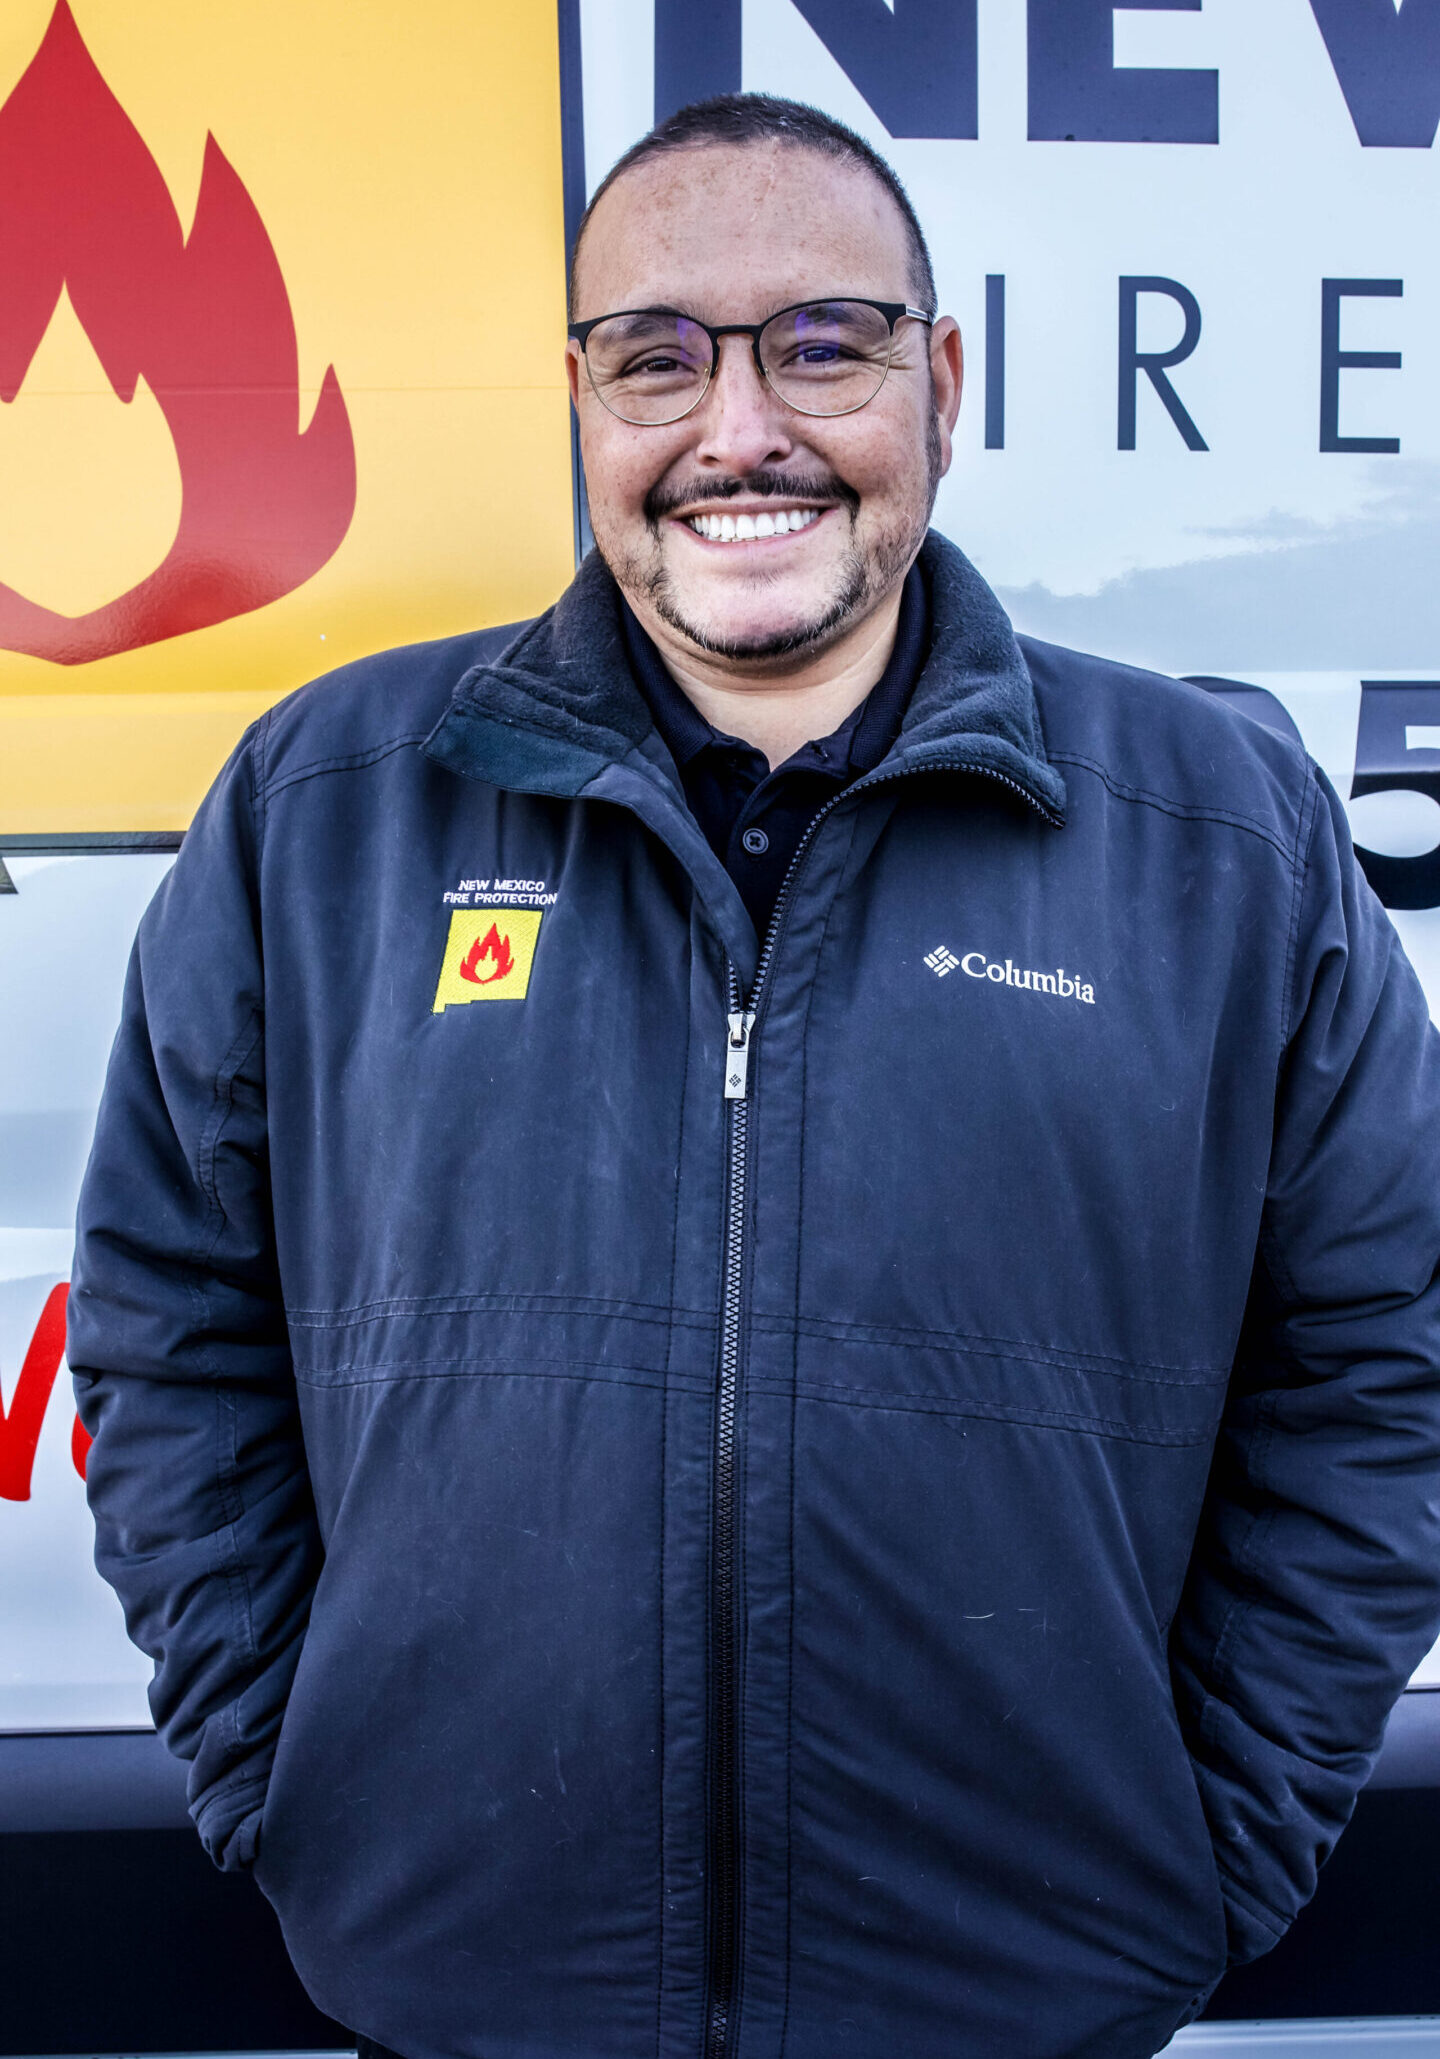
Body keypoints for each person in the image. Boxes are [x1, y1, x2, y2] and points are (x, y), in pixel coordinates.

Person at [70, 93, 1440, 2059]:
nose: (738, 432)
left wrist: (1214, 1834)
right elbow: (165, 1317)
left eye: (822, 343)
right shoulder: (327, 808)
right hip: (466, 1987)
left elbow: (1386, 1347)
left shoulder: (1218, 835)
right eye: (659, 358)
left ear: (939, 379)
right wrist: (296, 1781)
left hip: (1019, 1997)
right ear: (580, 399)